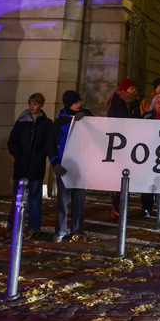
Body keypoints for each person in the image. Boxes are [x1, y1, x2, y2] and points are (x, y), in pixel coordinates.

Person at [48, 90, 93, 242]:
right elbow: (52, 144)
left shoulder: (86, 115)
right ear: (68, 105)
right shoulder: (59, 122)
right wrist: (55, 162)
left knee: (79, 199)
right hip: (65, 166)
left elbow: (96, 126)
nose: (79, 105)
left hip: (81, 165)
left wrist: (85, 118)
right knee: (63, 199)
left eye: (79, 102)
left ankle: (78, 230)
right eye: (75, 103)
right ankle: (60, 230)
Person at [7, 93, 53, 239]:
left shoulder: (46, 123)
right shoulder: (21, 122)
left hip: (36, 167)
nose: (32, 106)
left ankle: (34, 227)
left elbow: (47, 144)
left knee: (34, 198)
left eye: (35, 104)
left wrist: (39, 157)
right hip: (21, 166)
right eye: (30, 103)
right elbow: (12, 142)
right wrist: (20, 157)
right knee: (17, 198)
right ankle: (13, 226)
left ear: (41, 105)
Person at [107, 78, 140, 219]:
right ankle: (115, 207)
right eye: (131, 87)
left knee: (128, 175)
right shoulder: (116, 100)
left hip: (131, 140)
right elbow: (112, 119)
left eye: (134, 87)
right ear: (125, 88)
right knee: (116, 175)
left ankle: (122, 205)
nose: (134, 90)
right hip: (118, 141)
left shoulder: (134, 102)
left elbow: (138, 118)